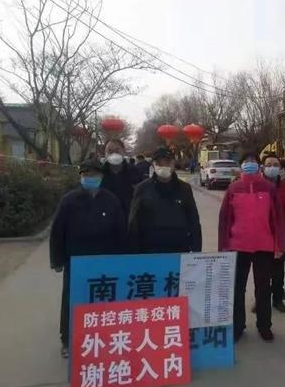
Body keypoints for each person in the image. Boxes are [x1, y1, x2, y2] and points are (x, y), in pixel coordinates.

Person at [50, 159, 127, 358]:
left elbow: (120, 231)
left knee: (103, 299)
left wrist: (122, 259)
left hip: (105, 259)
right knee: (72, 300)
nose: (90, 178)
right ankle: (68, 340)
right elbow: (57, 232)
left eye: (94, 175)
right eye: (86, 174)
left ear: (101, 177)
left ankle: (103, 336)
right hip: (77, 260)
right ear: (81, 176)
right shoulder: (69, 201)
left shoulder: (111, 200)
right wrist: (57, 260)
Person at [218, 151, 285, 342]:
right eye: (246, 161)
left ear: (259, 165)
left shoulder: (269, 188)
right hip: (238, 246)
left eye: (253, 161)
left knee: (263, 288)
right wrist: (224, 245)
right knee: (237, 288)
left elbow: (278, 218)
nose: (250, 163)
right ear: (241, 166)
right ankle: (238, 326)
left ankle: (264, 326)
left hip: (264, 246)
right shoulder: (233, 188)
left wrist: (279, 244)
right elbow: (224, 219)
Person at [128, 147, 202, 254]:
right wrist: (133, 252)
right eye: (159, 163)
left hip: (179, 250)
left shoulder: (184, 188)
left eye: (167, 162)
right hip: (149, 251)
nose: (163, 166)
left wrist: (196, 250)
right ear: (153, 165)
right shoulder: (142, 189)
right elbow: (134, 223)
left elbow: (193, 220)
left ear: (173, 164)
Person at [261, 153, 285, 313]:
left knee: (278, 271)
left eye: (275, 165)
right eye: (268, 165)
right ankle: (261, 300)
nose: (272, 168)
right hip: (260, 235)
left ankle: (277, 299)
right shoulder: (257, 185)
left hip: (280, 235)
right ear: (262, 167)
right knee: (261, 272)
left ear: (281, 168)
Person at [100, 139, 142, 218]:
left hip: (129, 217)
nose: (114, 154)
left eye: (117, 151)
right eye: (110, 151)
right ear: (105, 154)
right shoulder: (99, 173)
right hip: (106, 218)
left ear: (124, 152)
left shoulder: (134, 171)